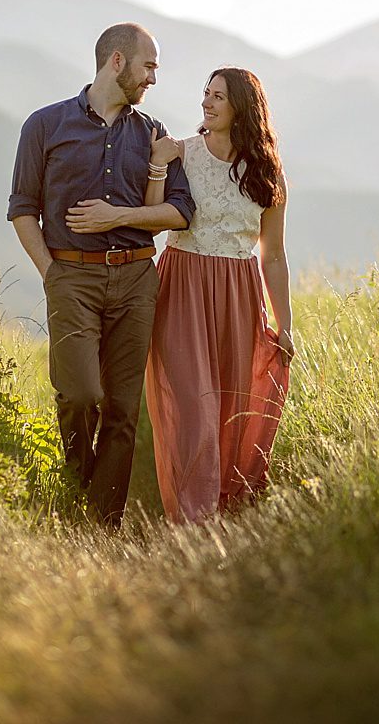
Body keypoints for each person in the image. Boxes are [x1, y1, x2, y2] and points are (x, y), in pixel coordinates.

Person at [8, 22, 195, 526]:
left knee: (122, 409)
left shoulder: (154, 135)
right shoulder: (44, 126)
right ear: (117, 61)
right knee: (80, 395)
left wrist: (120, 217)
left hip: (137, 281)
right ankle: (77, 492)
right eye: (148, 66)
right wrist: (51, 273)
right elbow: (23, 208)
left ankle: (100, 524)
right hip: (72, 277)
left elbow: (181, 211)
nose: (153, 78)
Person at [130, 66, 294, 523]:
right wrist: (159, 163)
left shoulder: (267, 172)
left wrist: (285, 324)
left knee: (230, 407)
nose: (206, 102)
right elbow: (154, 215)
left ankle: (227, 511)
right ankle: (194, 524)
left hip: (240, 295)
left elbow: (274, 256)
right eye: (206, 94)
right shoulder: (182, 152)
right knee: (194, 408)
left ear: (242, 106)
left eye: (218, 96)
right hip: (184, 286)